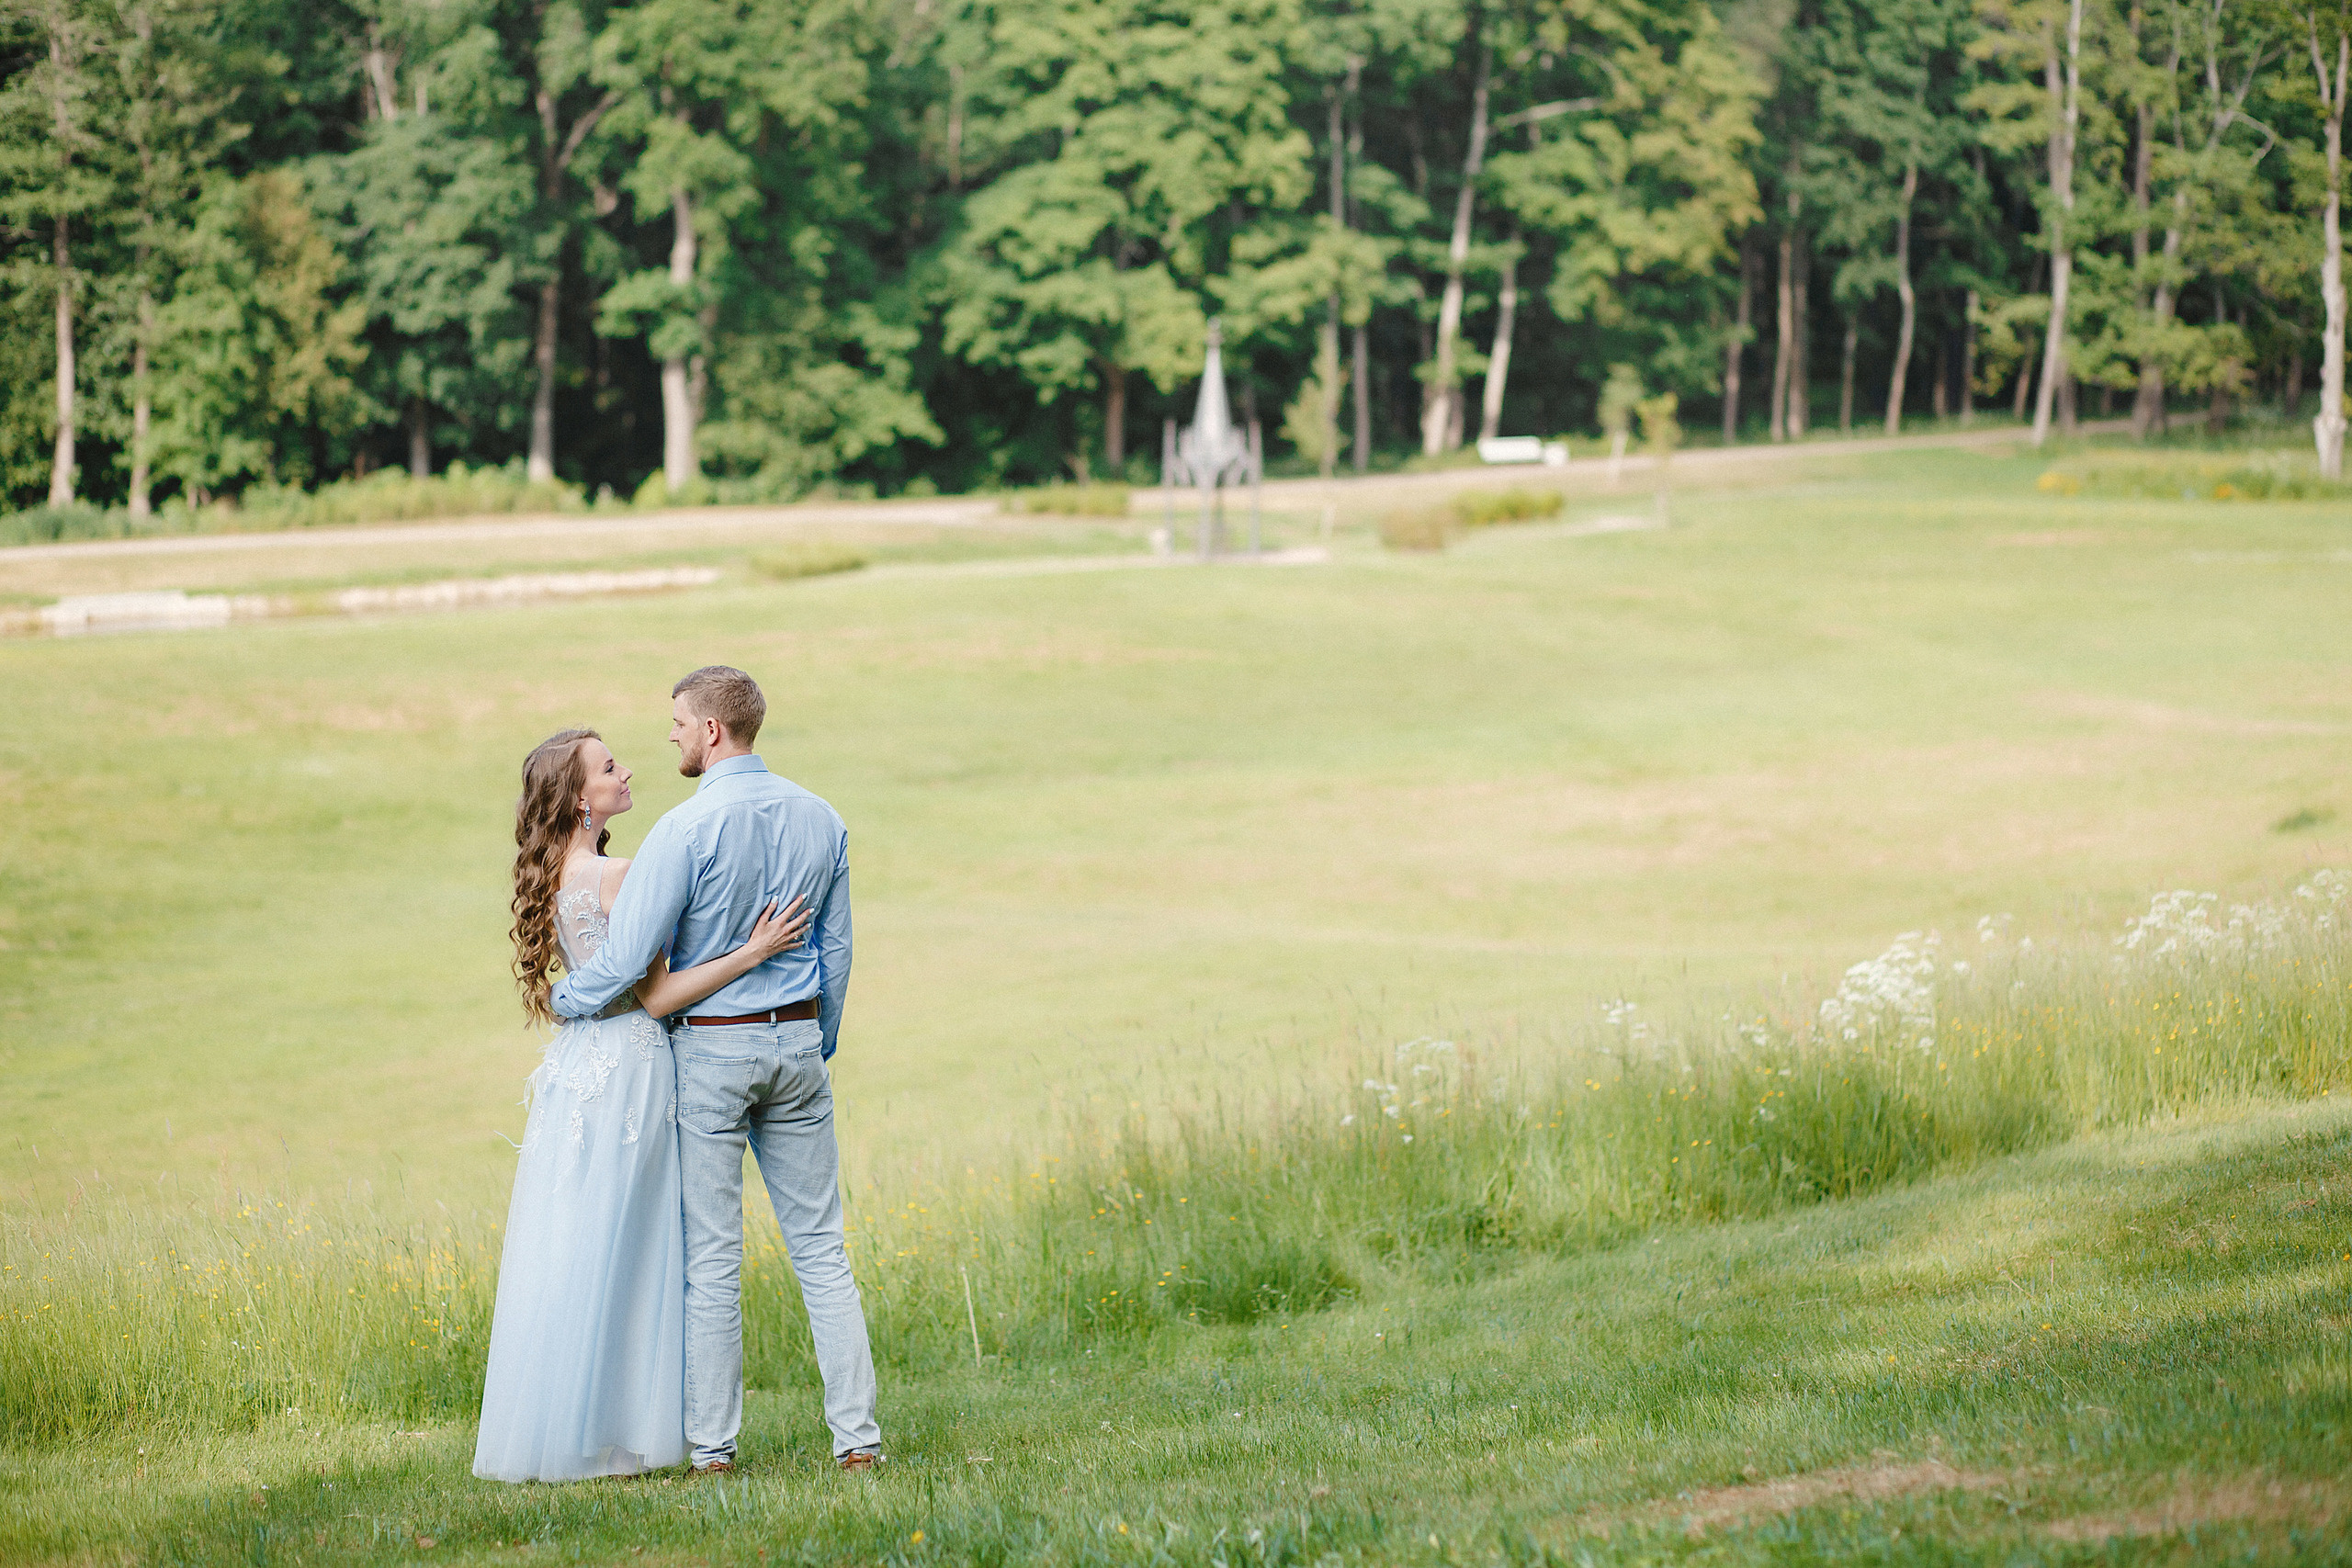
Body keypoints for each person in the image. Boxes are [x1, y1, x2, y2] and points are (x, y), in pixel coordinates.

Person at [549, 667, 881, 1475]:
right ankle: (858, 1440)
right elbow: (837, 952)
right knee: (822, 1250)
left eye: (676, 723)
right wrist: (816, 1040)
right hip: (796, 1044)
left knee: (713, 1260)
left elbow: (627, 960)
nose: (669, 736)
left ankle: (714, 1450)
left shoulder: (683, 830)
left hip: (711, 1055)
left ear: (710, 730)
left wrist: (564, 999)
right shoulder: (823, 817)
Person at [473, 728, 809, 1483]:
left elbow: (577, 985)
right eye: (608, 767)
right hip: (630, 1063)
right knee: (637, 1246)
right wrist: (752, 952)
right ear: (579, 799)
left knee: (576, 1241)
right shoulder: (617, 874)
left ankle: (565, 1430)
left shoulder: (551, 875)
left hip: (574, 1068)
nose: (626, 771)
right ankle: (626, 1434)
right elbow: (658, 995)